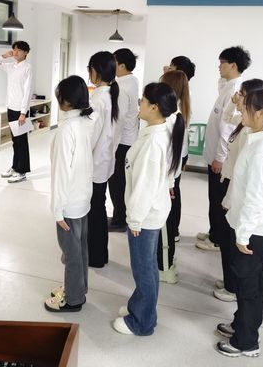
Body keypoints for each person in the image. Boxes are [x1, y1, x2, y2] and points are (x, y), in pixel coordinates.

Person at [214, 89, 263, 358]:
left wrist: (243, 234)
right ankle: (242, 323)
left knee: (248, 285)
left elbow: (256, 196)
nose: (241, 112)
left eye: (245, 109)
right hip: (249, 222)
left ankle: (246, 342)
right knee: (250, 281)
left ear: (261, 114)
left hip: (253, 228)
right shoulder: (262, 136)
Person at [112, 82, 185, 336]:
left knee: (143, 268)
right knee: (147, 265)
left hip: (145, 214)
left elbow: (144, 186)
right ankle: (140, 306)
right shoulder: (160, 129)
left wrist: (134, 219)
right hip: (151, 210)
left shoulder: (154, 141)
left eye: (142, 100)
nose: (139, 104)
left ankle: (142, 321)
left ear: (154, 107)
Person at [213, 78, 263, 303]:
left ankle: (232, 286)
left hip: (234, 187)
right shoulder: (244, 123)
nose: (238, 98)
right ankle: (229, 281)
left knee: (231, 241)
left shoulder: (251, 131)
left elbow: (242, 173)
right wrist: (234, 102)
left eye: (242, 95)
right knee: (226, 239)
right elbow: (227, 117)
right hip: (229, 181)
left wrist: (228, 199)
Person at [44, 76, 95, 313]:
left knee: (71, 253)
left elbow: (61, 172)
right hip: (83, 197)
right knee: (80, 249)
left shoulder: (66, 130)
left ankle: (73, 299)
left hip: (69, 203)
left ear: (64, 100)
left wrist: (57, 209)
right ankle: (78, 288)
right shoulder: (85, 122)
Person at [197, 46, 252, 252]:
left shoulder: (234, 89)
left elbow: (227, 128)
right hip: (215, 153)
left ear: (233, 65)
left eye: (222, 63)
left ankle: (217, 239)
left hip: (220, 157)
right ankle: (214, 231)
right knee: (213, 197)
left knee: (218, 198)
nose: (219, 67)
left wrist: (220, 157)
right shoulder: (229, 86)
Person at [156, 69, 191, 284]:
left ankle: (165, 266)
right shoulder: (179, 113)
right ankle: (166, 261)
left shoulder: (170, 119)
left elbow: (167, 156)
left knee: (164, 224)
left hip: (166, 179)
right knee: (168, 220)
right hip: (171, 178)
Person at [87, 51, 119, 268]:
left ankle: (96, 256)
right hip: (104, 161)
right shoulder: (109, 95)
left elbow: (91, 136)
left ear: (96, 71)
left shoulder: (99, 99)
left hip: (95, 163)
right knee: (99, 208)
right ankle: (100, 254)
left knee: (94, 211)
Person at [108, 48, 140, 233]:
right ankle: (120, 216)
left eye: (114, 62)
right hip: (130, 139)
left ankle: (119, 220)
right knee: (122, 181)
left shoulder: (120, 86)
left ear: (121, 65)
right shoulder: (133, 81)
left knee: (116, 182)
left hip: (121, 141)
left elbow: (118, 119)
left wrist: (110, 145)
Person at [0, 40, 33, 183]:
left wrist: (23, 113)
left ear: (26, 52)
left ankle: (22, 171)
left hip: (20, 110)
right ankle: (15, 166)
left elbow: (28, 91)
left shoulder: (27, 68)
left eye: (19, 50)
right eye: (14, 49)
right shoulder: (10, 66)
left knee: (21, 141)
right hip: (10, 107)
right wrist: (4, 56)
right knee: (15, 141)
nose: (16, 52)